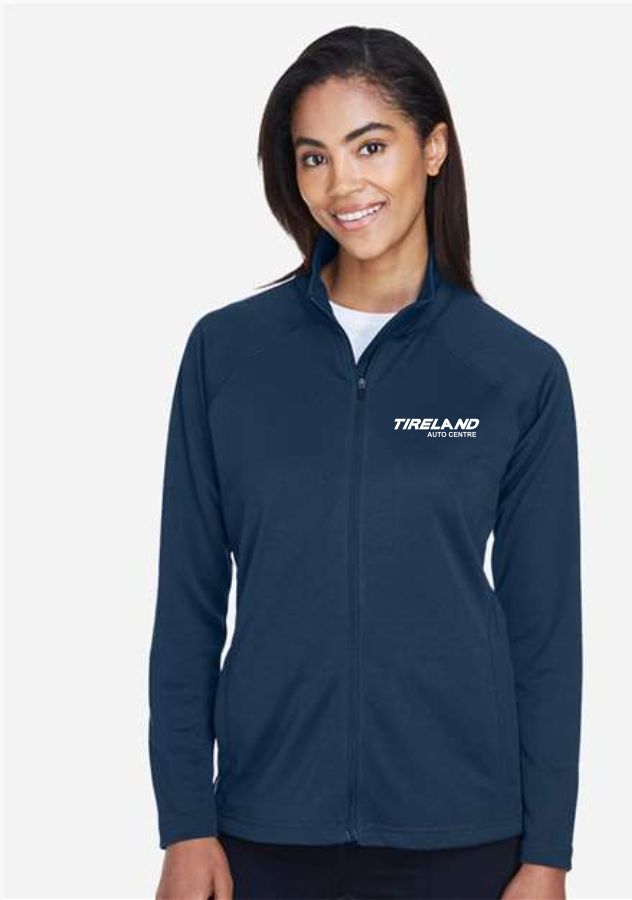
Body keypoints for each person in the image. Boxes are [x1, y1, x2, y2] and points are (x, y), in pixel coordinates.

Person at [149, 24, 583, 900]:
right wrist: (185, 823)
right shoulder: (227, 355)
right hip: (263, 832)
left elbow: (544, 632)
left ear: (434, 149)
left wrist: (549, 853)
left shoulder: (516, 373)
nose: (341, 184)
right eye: (313, 157)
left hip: (463, 837)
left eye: (370, 146)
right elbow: (187, 602)